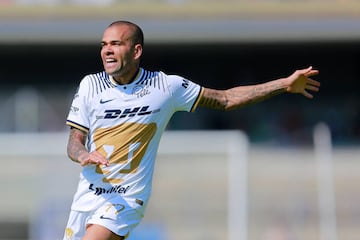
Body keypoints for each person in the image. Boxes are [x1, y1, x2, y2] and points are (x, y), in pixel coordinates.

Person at [63, 20, 320, 240]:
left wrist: (284, 85)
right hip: (87, 194)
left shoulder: (166, 87)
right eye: (104, 45)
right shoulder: (90, 86)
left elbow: (225, 99)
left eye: (116, 44)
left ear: (136, 50)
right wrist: (83, 154)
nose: (107, 51)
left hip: (126, 198)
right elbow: (74, 141)